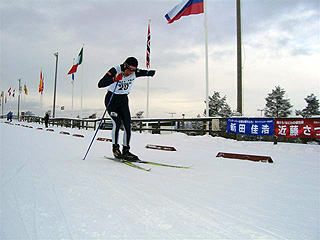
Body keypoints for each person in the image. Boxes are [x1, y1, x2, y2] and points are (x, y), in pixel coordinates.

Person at [98, 57, 156, 161]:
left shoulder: (134, 72)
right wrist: (114, 79)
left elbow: (143, 72)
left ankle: (126, 150)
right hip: (111, 99)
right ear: (124, 65)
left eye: (133, 71)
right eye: (129, 70)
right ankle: (115, 149)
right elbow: (100, 84)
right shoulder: (115, 70)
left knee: (127, 125)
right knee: (117, 122)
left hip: (123, 100)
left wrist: (150, 73)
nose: (130, 73)